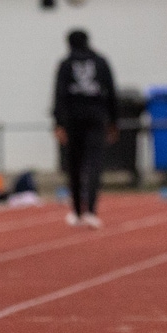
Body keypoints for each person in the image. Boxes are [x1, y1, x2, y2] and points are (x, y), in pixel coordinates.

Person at [53, 29, 117, 229]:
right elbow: (111, 92)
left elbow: (59, 95)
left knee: (74, 166)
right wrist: (114, 121)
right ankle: (90, 209)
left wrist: (58, 123)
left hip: (73, 120)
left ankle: (77, 211)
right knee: (94, 164)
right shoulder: (101, 62)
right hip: (96, 118)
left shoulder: (65, 64)